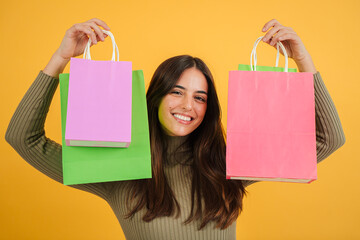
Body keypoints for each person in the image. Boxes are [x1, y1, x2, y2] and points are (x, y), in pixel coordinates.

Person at [5, 18, 345, 240]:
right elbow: (23, 138)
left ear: (207, 109)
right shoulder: (119, 169)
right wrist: (61, 58)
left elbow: (329, 139)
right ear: (155, 97)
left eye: (200, 97)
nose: (187, 106)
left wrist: (304, 63)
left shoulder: (230, 164)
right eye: (177, 92)